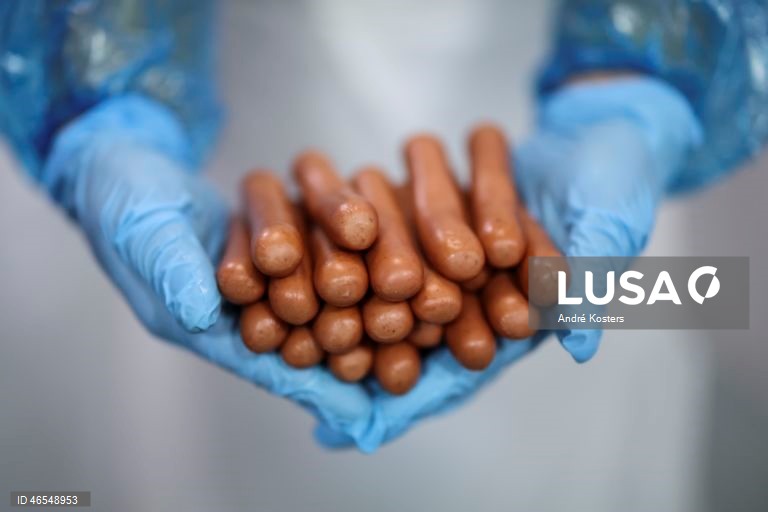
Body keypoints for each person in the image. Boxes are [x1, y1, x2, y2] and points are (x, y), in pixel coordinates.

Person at [1, 0, 766, 454]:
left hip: (536, 109)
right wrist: (100, 97)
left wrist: (640, 81)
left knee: (574, 416)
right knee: (147, 442)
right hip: (213, 126)